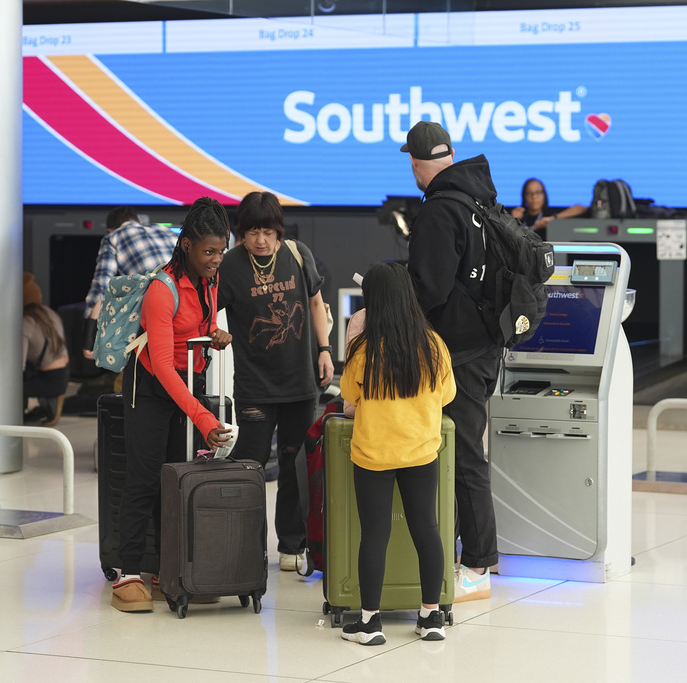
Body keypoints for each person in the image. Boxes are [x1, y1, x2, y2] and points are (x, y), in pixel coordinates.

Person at [111, 197, 234, 613]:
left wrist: (214, 332)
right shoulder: (162, 291)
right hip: (150, 387)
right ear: (186, 245)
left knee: (175, 481)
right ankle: (127, 572)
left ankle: (168, 571)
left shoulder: (209, 280)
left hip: (186, 384)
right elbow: (163, 364)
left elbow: (198, 325)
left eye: (221, 250)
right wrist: (201, 416)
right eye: (208, 251)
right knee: (144, 479)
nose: (216, 259)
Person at [400, 120, 499, 602]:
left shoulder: (440, 209)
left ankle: (478, 565)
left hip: (457, 354)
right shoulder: (478, 198)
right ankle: (465, 558)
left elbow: (430, 288)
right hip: (481, 346)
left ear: (416, 163)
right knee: (460, 454)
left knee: (462, 459)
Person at [338, 262, 455, 645]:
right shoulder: (433, 344)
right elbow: (448, 395)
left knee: (375, 534)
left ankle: (370, 624)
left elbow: (350, 398)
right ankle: (430, 615)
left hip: (373, 455)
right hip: (421, 452)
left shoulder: (363, 350)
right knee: (427, 529)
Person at [217, 191, 334, 573]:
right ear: (241, 233)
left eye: (268, 231)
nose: (261, 240)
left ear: (279, 231)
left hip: (300, 383)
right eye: (253, 232)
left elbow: (315, 303)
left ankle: (291, 544)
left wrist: (324, 349)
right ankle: (243, 546)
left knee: (293, 463)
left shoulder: (298, 254)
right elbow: (205, 311)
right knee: (249, 466)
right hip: (255, 386)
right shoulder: (230, 266)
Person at [82, 207, 178, 361]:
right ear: (139, 221)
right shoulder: (165, 231)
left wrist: (90, 337)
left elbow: (103, 287)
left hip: (155, 309)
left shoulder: (112, 238)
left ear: (110, 229)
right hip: (185, 305)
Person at [22, 272, 69, 425]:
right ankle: (46, 408)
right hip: (63, 373)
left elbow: (18, 365)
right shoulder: (50, 314)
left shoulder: (26, 323)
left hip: (47, 380)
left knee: (11, 388)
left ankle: (17, 416)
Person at [510, 178, 586, 241]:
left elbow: (581, 208)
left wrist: (553, 219)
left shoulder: (550, 214)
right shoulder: (520, 216)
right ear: (524, 196)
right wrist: (513, 220)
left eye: (538, 192)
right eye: (529, 193)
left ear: (544, 195)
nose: (534, 196)